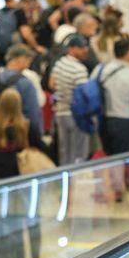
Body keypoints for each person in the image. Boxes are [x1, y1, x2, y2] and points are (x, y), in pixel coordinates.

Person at [91, 38, 129, 200]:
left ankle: (110, 185)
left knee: (110, 154)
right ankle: (120, 188)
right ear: (128, 53)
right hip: (126, 122)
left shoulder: (100, 69)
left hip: (104, 120)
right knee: (126, 157)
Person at [0, 45, 44, 147]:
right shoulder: (25, 83)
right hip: (19, 139)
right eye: (27, 59)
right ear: (19, 59)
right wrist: (38, 140)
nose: (29, 62)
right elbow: (34, 117)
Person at [52, 34, 93, 165]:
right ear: (72, 49)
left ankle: (66, 183)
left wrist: (62, 93)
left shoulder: (60, 63)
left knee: (65, 153)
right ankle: (75, 184)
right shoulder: (80, 70)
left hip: (61, 113)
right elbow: (86, 96)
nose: (85, 52)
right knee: (79, 155)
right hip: (77, 116)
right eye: (82, 49)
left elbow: (51, 84)